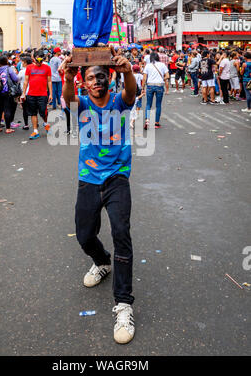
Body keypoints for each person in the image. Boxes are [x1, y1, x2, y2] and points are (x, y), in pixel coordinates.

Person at [63, 54, 136, 344]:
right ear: (84, 82)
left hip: (117, 176)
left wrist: (128, 71)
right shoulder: (81, 103)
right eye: (90, 78)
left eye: (100, 76)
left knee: (121, 233)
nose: (96, 82)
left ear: (110, 78)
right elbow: (68, 99)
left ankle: (124, 304)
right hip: (89, 178)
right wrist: (68, 79)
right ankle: (102, 262)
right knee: (84, 235)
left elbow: (131, 92)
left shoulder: (120, 101)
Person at [21, 50, 52, 140]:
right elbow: (26, 81)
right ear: (34, 58)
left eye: (41, 59)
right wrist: (23, 93)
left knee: (43, 112)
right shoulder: (29, 67)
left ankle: (46, 124)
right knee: (33, 113)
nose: (39, 61)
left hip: (43, 94)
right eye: (38, 58)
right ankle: (35, 131)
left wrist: (51, 94)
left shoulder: (47, 68)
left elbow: (49, 81)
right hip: (31, 94)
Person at [0, 55, 19, 134]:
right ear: (6, 61)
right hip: (7, 92)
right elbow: (16, 79)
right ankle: (8, 128)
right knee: (7, 109)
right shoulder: (8, 69)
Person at [142, 51, 169, 129]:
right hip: (159, 86)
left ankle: (147, 120)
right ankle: (156, 123)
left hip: (150, 85)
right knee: (158, 105)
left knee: (148, 104)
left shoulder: (148, 65)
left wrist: (143, 88)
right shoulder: (162, 65)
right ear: (158, 57)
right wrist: (162, 79)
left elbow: (144, 78)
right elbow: (167, 75)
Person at [18, 55, 32, 130]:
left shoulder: (22, 71)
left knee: (25, 109)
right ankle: (36, 123)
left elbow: (17, 80)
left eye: (22, 62)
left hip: (24, 92)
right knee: (34, 108)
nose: (21, 63)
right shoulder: (33, 70)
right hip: (33, 92)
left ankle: (26, 124)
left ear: (25, 63)